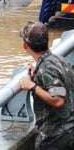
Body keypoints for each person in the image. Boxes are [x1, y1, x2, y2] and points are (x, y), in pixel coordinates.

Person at [18, 21, 74, 149]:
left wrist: (31, 86)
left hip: (56, 137)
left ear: (25, 45)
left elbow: (58, 100)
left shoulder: (47, 68)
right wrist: (36, 76)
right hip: (68, 131)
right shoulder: (59, 60)